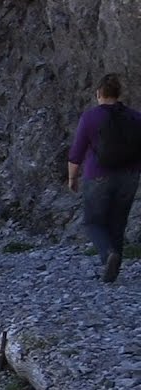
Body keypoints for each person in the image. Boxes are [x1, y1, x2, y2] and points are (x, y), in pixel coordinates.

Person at [68, 73, 141, 283]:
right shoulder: (136, 117)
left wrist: (72, 178)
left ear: (99, 93)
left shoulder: (90, 117)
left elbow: (76, 152)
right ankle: (113, 271)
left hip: (98, 176)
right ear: (119, 94)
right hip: (129, 177)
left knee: (93, 221)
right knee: (118, 222)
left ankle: (108, 254)